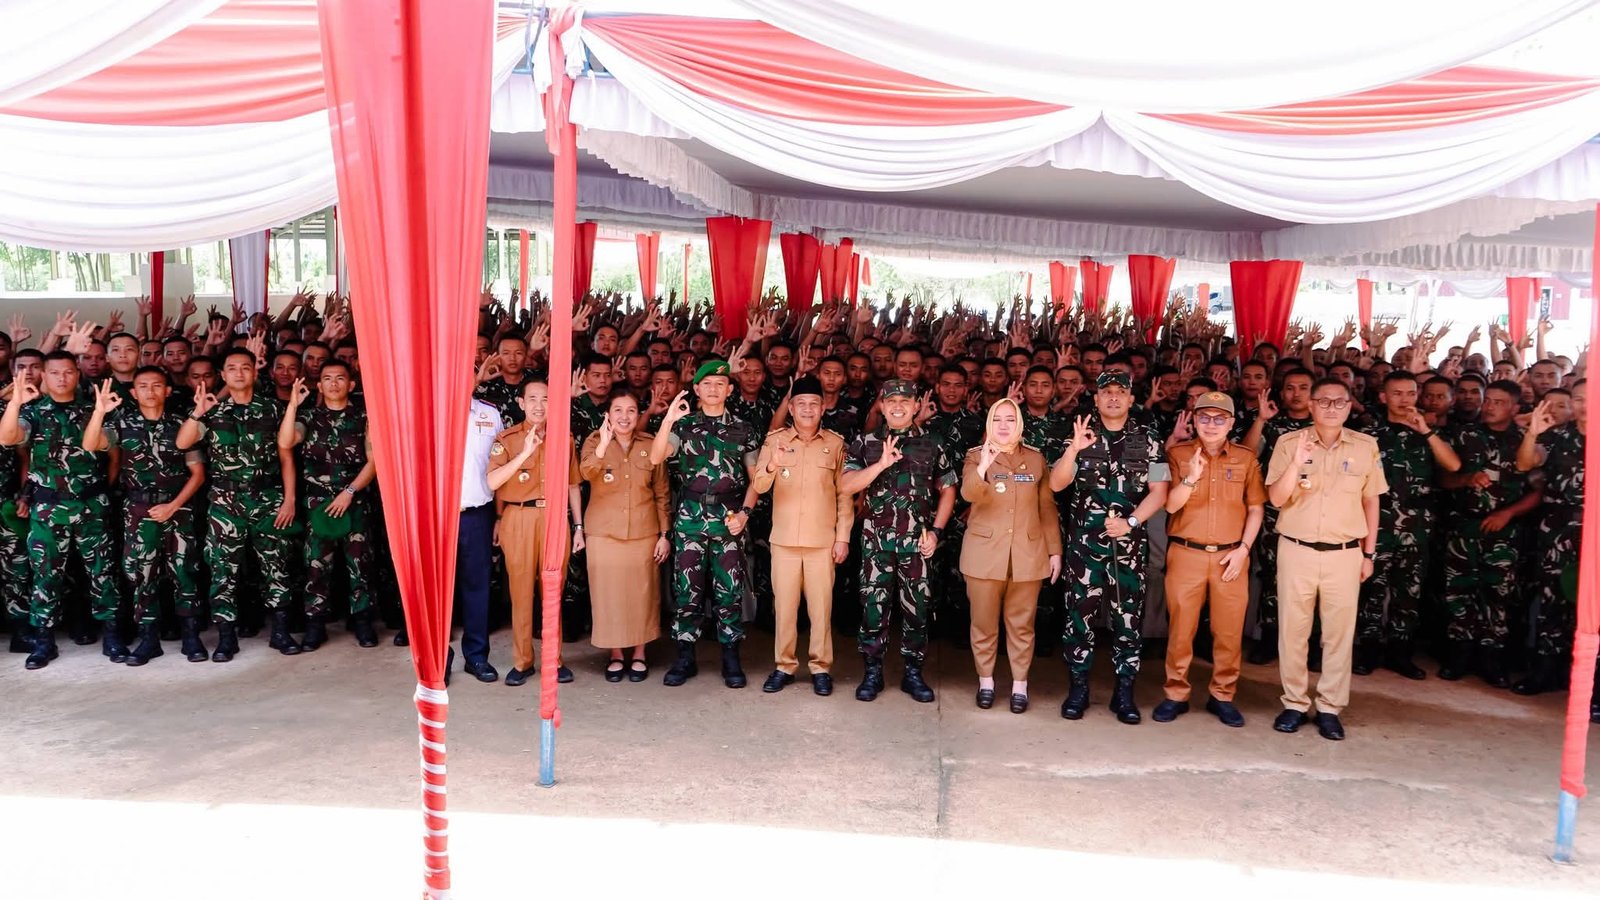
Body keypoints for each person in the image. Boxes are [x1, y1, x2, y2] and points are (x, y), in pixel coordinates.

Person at [1264, 378, 1386, 741]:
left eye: (1339, 402)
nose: (1331, 408)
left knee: (1338, 634)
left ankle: (1330, 707)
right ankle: (1294, 703)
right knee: (1293, 631)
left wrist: (1369, 553)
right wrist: (1296, 464)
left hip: (1344, 553)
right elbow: (1276, 498)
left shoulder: (1365, 446)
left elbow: (1371, 501)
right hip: (1297, 549)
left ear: (1349, 406)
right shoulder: (1289, 442)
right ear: (1311, 405)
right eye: (1324, 401)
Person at [1049, 371, 1170, 724]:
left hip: (1128, 546)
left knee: (1128, 619)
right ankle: (1078, 689)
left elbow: (1160, 492)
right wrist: (1073, 449)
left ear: (1131, 399)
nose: (1113, 397)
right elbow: (1056, 484)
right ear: (1096, 398)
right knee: (1079, 617)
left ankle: (1124, 692)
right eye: (1107, 392)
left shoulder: (1150, 439)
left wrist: (1131, 522)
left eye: (1121, 391)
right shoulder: (1079, 433)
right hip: (1084, 547)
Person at [1, 348, 124, 669]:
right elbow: (8, 437)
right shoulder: (33, 411)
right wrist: (14, 403)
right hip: (49, 508)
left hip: (90, 505)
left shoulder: (97, 408)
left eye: (68, 372)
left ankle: (111, 635)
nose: (62, 378)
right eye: (54, 372)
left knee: (102, 572)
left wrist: (98, 413)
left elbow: (99, 444)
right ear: (44, 375)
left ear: (77, 374)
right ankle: (44, 640)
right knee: (46, 575)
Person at [177, 347, 300, 662]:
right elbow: (182, 442)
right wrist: (198, 412)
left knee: (276, 565)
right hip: (225, 502)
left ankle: (281, 632)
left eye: (246, 367)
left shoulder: (273, 409)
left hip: (267, 498)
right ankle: (226, 638)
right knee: (223, 570)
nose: (239, 373)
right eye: (232, 368)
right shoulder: (212, 411)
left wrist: (289, 500)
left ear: (255, 373)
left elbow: (286, 456)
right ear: (223, 375)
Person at [841, 379, 958, 703]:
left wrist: (936, 531)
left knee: (917, 610)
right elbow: (846, 485)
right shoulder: (866, 442)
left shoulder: (932, 443)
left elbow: (948, 489)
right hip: (876, 544)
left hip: (917, 545)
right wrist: (880, 464)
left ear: (916, 405)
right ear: (881, 405)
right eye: (891, 401)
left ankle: (913, 673)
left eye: (905, 401)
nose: (897, 406)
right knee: (873, 609)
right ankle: (872, 672)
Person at [650, 355, 763, 689]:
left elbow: (756, 479)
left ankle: (731, 658)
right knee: (688, 591)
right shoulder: (683, 426)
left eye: (720, 383)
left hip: (729, 518)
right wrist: (668, 419)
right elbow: (656, 456)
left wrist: (745, 514)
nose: (714, 389)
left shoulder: (743, 428)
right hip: (690, 518)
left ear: (729, 389)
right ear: (697, 389)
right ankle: (685, 657)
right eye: (707, 384)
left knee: (729, 591)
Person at [1154, 392, 1264, 727]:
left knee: (1228, 631)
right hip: (1186, 553)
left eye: (1219, 419)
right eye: (1204, 417)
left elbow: (1256, 508)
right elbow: (1170, 505)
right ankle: (1176, 693)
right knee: (1181, 629)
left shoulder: (1246, 458)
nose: (1211, 425)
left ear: (1231, 423)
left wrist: (1244, 549)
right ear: (1194, 420)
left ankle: (1223, 695)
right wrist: (1191, 477)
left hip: (1231, 556)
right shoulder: (1176, 454)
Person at [81, 369, 206, 665]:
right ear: (134, 393)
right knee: (142, 574)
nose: (150, 391)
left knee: (184, 572)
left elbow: (198, 474)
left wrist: (173, 506)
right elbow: (90, 444)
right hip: (138, 511)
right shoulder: (121, 424)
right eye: (143, 386)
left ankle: (191, 637)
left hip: (178, 510)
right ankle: (149, 639)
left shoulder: (182, 424)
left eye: (157, 386)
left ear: (167, 391)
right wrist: (99, 413)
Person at [752, 375, 853, 696]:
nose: (807, 409)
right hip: (784, 541)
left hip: (822, 541)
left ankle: (821, 667)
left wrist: (843, 537)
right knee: (784, 608)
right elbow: (758, 486)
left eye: (813, 404)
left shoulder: (835, 444)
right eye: (801, 404)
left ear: (823, 408)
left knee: (821, 609)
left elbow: (844, 494)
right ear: (791, 408)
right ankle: (784, 665)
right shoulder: (775, 441)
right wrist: (772, 465)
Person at [1355, 372, 1460, 679]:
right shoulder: (1368, 434)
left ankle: (1400, 654)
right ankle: (1368, 651)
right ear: (1383, 397)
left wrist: (1425, 430)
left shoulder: (1430, 433)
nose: (1404, 399)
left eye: (1411, 393)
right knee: (1371, 591)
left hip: (1416, 528)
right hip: (1377, 527)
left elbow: (1453, 465)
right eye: (1397, 393)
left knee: (1408, 593)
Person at [1437, 380, 1542, 686]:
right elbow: (1442, 479)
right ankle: (1459, 654)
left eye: (1499, 402)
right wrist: (1465, 479)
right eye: (1488, 400)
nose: (1490, 406)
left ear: (1515, 408)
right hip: (1464, 527)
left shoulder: (1525, 440)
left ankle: (1491, 658)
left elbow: (1538, 491)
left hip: (1503, 532)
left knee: (1498, 595)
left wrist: (1507, 513)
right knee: (1458, 592)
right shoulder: (1463, 434)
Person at [960, 398, 1061, 714]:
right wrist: (983, 466)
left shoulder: (1035, 459)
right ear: (989, 423)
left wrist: (1054, 550)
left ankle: (1020, 685)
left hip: (1027, 555)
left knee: (1022, 625)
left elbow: (1046, 508)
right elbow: (969, 493)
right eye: (997, 419)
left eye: (1010, 419)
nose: (1003, 426)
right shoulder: (975, 456)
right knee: (984, 625)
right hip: (983, 556)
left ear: (1019, 424)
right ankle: (986, 682)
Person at [278, 361, 380, 649]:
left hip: (354, 500)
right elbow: (286, 442)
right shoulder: (309, 417)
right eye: (327, 379)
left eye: (340, 378)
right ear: (319, 386)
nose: (334, 383)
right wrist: (293, 405)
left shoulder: (364, 417)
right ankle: (315, 624)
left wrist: (349, 491)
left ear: (351, 385)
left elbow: (374, 461)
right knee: (316, 565)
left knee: (359, 564)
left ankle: (362, 622)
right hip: (318, 503)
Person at [488, 379, 581, 687]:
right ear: (521, 402)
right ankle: (523, 661)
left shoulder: (564, 438)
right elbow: (493, 482)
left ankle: (554, 660)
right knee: (521, 592)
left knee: (554, 591)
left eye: (546, 399)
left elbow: (572, 485)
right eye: (533, 399)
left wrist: (578, 527)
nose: (540, 405)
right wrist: (524, 452)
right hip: (519, 516)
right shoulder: (507, 439)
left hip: (554, 517)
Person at [579, 390, 670, 683]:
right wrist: (604, 445)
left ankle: (640, 653)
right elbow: (585, 473)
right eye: (618, 410)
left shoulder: (650, 444)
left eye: (631, 410)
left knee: (643, 595)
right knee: (609, 596)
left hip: (644, 531)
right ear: (608, 415)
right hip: (604, 533)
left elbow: (662, 492)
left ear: (638, 415)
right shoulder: (594, 441)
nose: (624, 416)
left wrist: (664, 534)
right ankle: (616, 653)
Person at [1515, 383, 1585, 695]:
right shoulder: (1557, 436)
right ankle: (1544, 672)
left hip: (1595, 532)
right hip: (1558, 529)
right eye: (1579, 399)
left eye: (1591, 399)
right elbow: (1525, 463)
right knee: (1551, 599)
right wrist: (1532, 433)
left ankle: (1589, 683)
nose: (1585, 405)